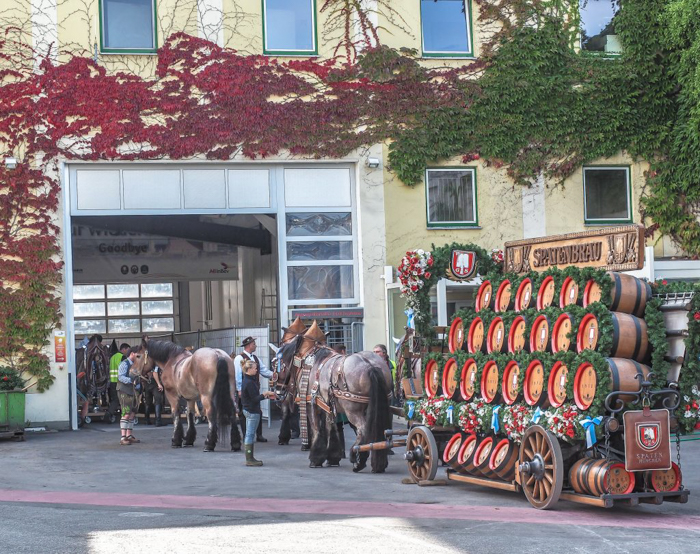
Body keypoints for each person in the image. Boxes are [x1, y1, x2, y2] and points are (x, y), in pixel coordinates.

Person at [233, 336, 273, 442]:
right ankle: (247, 434)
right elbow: (237, 375)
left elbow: (264, 370)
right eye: (254, 344)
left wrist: (274, 375)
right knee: (243, 412)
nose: (255, 345)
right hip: (245, 390)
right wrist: (239, 389)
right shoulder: (239, 358)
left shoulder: (255, 358)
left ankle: (258, 434)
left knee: (257, 410)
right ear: (250, 345)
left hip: (254, 388)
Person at [240, 360, 276, 466]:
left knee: (249, 434)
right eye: (255, 368)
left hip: (247, 409)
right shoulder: (250, 383)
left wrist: (265, 395)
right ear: (249, 369)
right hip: (252, 411)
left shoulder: (246, 380)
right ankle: (249, 459)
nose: (256, 370)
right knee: (250, 435)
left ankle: (249, 457)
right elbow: (254, 399)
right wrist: (265, 394)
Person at [117, 347, 140, 445]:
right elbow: (120, 376)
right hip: (124, 391)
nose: (139, 357)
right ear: (132, 354)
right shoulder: (124, 364)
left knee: (132, 414)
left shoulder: (136, 365)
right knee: (126, 413)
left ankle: (129, 436)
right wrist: (131, 381)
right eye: (138, 355)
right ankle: (123, 438)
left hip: (133, 391)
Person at [109, 343, 130, 415]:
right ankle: (110, 414)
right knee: (122, 400)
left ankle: (109, 414)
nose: (128, 352)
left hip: (112, 382)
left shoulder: (112, 357)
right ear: (123, 349)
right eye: (128, 350)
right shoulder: (122, 357)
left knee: (114, 399)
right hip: (119, 382)